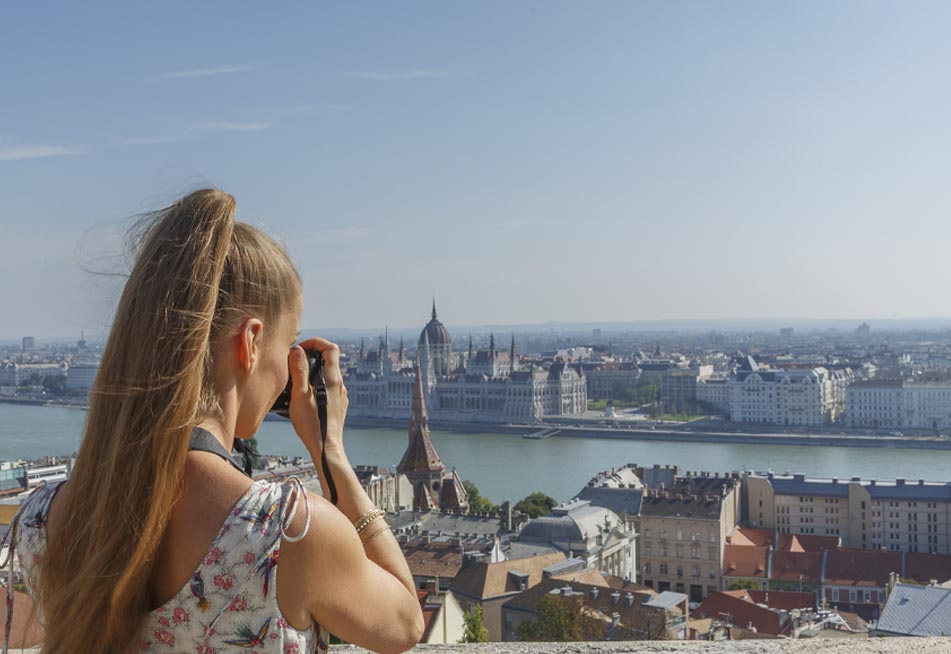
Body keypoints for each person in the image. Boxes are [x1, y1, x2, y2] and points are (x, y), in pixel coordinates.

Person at [6, 189, 424, 653]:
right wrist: (332, 457)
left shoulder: (40, 521)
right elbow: (405, 623)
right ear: (250, 342)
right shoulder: (284, 532)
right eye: (289, 347)